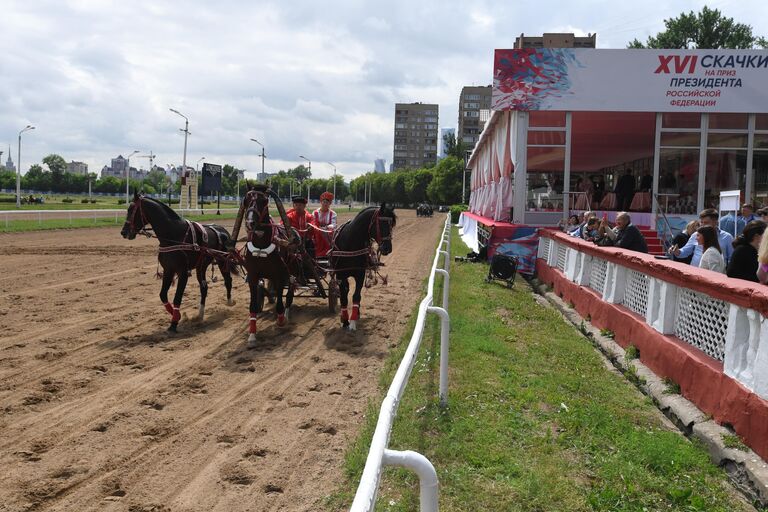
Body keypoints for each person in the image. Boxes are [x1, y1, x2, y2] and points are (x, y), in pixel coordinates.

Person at [312, 191, 337, 258]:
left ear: (329, 204)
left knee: (331, 233)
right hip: (317, 231)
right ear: (321, 202)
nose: (325, 204)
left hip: (328, 232)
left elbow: (334, 224)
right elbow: (313, 222)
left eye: (327, 202)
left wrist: (328, 227)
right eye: (324, 202)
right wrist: (318, 228)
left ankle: (328, 252)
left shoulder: (333, 213)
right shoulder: (315, 212)